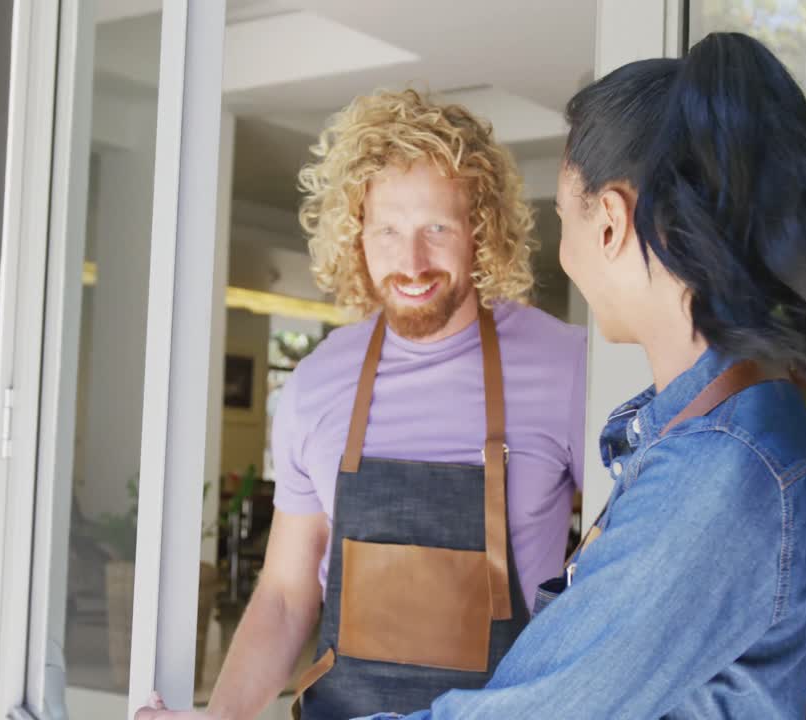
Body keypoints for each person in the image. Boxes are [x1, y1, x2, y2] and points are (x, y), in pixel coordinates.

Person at [357, 32, 806, 719]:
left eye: (562, 213)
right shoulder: (707, 434)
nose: (564, 249)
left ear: (609, 223)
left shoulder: (718, 474)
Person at [135, 89, 587, 720]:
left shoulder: (566, 367)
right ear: (356, 235)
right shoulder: (317, 385)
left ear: (480, 231)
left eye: (437, 228)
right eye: (387, 231)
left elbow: (626, 576)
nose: (412, 262)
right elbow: (288, 595)